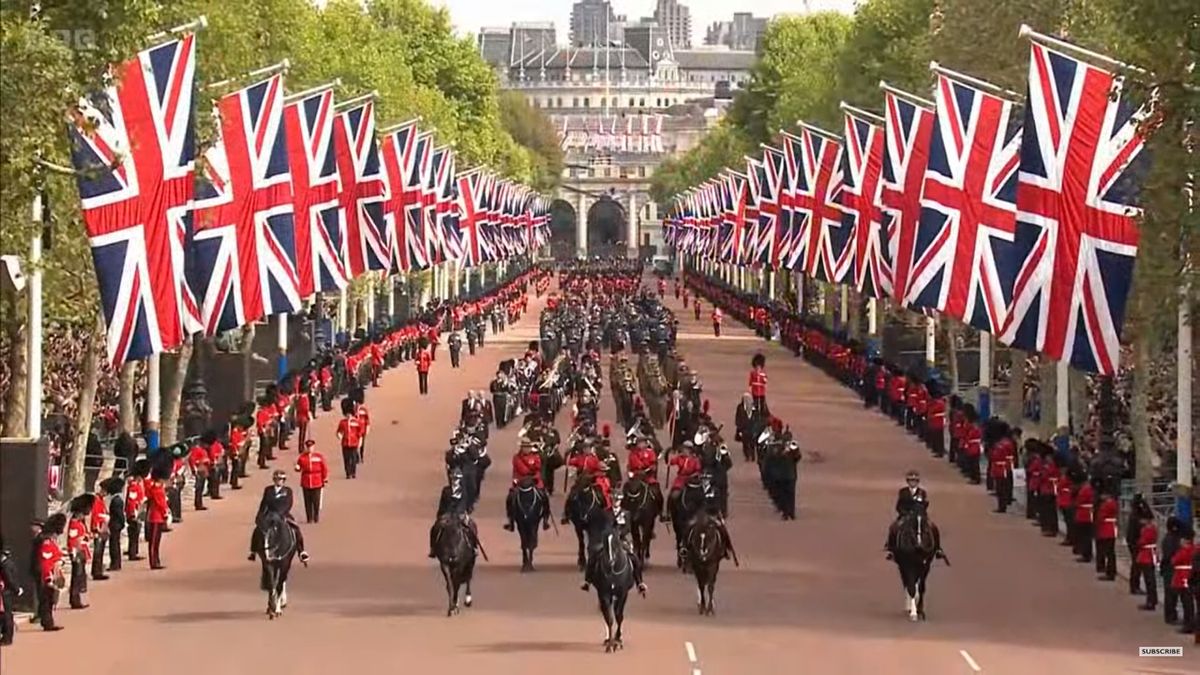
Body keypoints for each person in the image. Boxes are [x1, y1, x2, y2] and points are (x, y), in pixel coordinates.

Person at [248, 470, 310, 565]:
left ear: (283, 480)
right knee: (258, 530)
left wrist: (280, 514)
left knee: (296, 529)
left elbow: (289, 503)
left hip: (283, 514)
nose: (278, 481)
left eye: (280, 479)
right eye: (276, 479)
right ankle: (253, 551)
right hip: (270, 513)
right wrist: (259, 515)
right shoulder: (268, 490)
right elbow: (264, 503)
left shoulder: (288, 491)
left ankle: (301, 551)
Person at [504, 440, 550, 531]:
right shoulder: (516, 457)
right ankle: (511, 521)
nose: (526, 449)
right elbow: (522, 470)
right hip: (520, 480)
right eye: (524, 447)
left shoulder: (536, 456)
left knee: (544, 496)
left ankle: (545, 519)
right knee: (510, 497)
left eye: (528, 447)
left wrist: (534, 475)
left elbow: (539, 467)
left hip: (534, 480)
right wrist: (531, 470)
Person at [886, 470, 929, 554]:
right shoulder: (903, 492)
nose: (913, 483)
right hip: (906, 515)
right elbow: (899, 506)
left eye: (915, 481)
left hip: (919, 515)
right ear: (908, 482)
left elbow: (924, 505)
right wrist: (904, 513)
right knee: (893, 527)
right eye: (911, 481)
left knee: (933, 527)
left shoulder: (922, 492)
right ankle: (891, 548)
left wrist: (921, 512)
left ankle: (938, 548)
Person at [35, 514, 66, 632]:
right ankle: (47, 623)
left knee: (49, 600)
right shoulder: (47, 543)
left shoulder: (50, 541)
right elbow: (46, 563)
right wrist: (49, 578)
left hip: (52, 573)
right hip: (48, 576)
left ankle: (48, 621)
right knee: (47, 600)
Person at [294, 440, 329, 524]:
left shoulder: (319, 457)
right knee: (307, 501)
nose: (310, 449)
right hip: (306, 480)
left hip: (317, 480)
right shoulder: (302, 457)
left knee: (316, 500)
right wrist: (297, 468)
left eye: (311, 447)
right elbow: (298, 467)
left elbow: (324, 468)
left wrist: (325, 478)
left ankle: (316, 516)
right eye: (308, 447)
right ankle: (309, 517)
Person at [1170, 529, 1195, 634]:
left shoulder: (1184, 551)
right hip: (1189, 576)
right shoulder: (1194, 549)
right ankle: (1190, 623)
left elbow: (1174, 561)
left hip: (1182, 577)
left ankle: (1188, 625)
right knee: (1189, 603)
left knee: (1186, 603)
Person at [65, 506, 90, 609]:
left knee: (79, 577)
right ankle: (75, 600)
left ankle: (76, 599)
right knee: (76, 577)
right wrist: (75, 554)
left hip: (80, 551)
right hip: (77, 553)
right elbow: (74, 541)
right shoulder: (74, 525)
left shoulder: (78, 524)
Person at [145, 471, 170, 570]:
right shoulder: (157, 489)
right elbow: (161, 504)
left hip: (157, 517)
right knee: (154, 541)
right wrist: (165, 513)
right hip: (156, 517)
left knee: (156, 541)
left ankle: (156, 560)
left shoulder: (157, 488)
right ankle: (154, 562)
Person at [1161, 517, 1184, 622]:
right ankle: (1170, 615)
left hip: (1170, 568)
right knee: (1170, 593)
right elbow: (1169, 555)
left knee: (1172, 593)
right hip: (1170, 568)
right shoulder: (1172, 539)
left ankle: (1171, 614)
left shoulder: (1170, 537)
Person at [0, 536, 22, 644]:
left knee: (6, 616)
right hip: (8, 592)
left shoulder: (4, 565)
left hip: (5, 593)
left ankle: (7, 637)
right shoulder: (9, 563)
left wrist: (16, 589)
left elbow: (9, 579)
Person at [1093, 488, 1118, 581]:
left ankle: (1110, 572)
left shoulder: (1106, 504)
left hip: (1106, 530)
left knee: (1109, 553)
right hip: (1111, 529)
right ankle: (1111, 571)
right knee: (1111, 552)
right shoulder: (1113, 503)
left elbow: (1100, 517)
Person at [89, 485, 111, 581]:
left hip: (102, 527)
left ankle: (98, 571)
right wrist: (97, 527)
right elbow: (96, 515)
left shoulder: (100, 500)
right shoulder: (97, 500)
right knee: (98, 551)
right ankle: (96, 572)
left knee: (100, 551)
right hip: (98, 528)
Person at [336, 399, 362, 480]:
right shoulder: (342, 422)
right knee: (346, 459)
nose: (348, 415)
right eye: (347, 414)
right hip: (345, 443)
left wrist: (360, 442)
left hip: (354, 443)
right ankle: (348, 473)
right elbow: (339, 431)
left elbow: (359, 434)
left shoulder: (356, 422)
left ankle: (353, 472)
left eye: (349, 414)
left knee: (353, 459)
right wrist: (339, 435)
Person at [1073, 478, 1096, 564]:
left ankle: (1086, 554)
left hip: (1084, 514)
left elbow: (1079, 501)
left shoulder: (1086, 490)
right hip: (1088, 513)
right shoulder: (1091, 489)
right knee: (1087, 535)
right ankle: (1086, 553)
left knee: (1084, 535)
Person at [187, 439, 212, 511]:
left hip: (203, 470)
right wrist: (194, 469)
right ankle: (198, 504)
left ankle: (200, 503)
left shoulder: (202, 450)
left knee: (201, 488)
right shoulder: (196, 450)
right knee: (198, 488)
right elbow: (192, 460)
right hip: (199, 470)